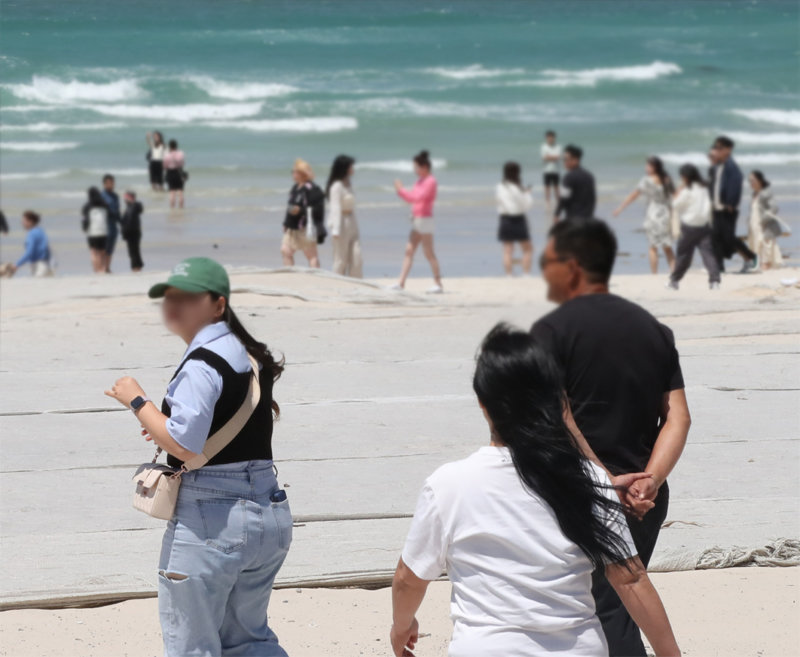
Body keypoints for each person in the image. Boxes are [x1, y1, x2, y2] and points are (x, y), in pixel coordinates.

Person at [391, 324, 681, 657]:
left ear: (483, 402)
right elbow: (631, 580)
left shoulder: (447, 485)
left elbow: (408, 579)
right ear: (555, 404)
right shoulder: (590, 481)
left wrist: (402, 626)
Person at [104, 257, 292, 656]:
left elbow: (185, 446)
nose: (174, 305)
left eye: (188, 298)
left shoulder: (203, 363)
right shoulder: (250, 356)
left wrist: (137, 400)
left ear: (218, 305)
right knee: (250, 640)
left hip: (212, 517)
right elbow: (220, 424)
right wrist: (162, 421)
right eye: (170, 297)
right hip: (269, 509)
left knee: (192, 646)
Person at [531, 219, 690, 656]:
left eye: (549, 262)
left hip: (577, 492)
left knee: (598, 610)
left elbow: (555, 414)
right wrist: (649, 480)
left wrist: (603, 481)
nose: (544, 271)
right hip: (645, 499)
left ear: (573, 266)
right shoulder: (654, 331)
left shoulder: (550, 332)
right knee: (616, 605)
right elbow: (678, 418)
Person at [613, 156, 676, 274]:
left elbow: (634, 195)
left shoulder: (646, 180)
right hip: (666, 214)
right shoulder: (667, 179)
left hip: (653, 214)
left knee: (653, 247)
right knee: (667, 246)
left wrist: (620, 208)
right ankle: (674, 272)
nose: (646, 168)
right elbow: (674, 196)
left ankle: (654, 274)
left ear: (654, 167)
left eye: (648, 165)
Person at [392, 150, 443, 293]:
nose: (415, 170)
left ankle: (438, 283)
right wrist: (401, 191)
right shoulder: (420, 181)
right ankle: (401, 282)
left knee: (428, 252)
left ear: (424, 167)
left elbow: (416, 198)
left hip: (425, 220)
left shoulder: (431, 181)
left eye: (416, 167)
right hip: (417, 220)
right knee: (409, 250)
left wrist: (400, 190)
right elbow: (412, 197)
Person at [708, 136, 757, 273]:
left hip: (727, 209)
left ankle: (751, 257)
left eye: (720, 148)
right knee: (715, 238)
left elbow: (737, 181)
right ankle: (719, 267)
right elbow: (714, 185)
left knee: (728, 238)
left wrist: (731, 202)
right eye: (716, 147)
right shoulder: (718, 166)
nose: (716, 150)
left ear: (728, 149)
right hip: (717, 208)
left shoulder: (731, 166)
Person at [668, 164, 720, 290]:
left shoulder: (687, 191)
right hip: (704, 225)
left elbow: (675, 204)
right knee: (708, 254)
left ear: (685, 177)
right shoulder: (704, 188)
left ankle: (674, 281)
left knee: (683, 255)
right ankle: (715, 281)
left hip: (689, 226)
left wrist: (679, 191)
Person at [282, 158, 325, 268]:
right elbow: (290, 206)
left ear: (302, 174)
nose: (293, 174)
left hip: (305, 228)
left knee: (311, 256)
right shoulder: (295, 187)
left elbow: (318, 210)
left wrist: (300, 210)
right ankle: (290, 276)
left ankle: (316, 278)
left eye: (295, 172)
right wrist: (286, 223)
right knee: (285, 251)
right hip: (292, 228)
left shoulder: (312, 189)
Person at [326, 154, 363, 278]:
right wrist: (335, 230)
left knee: (356, 256)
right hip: (340, 223)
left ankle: (356, 284)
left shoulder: (348, 183)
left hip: (351, 222)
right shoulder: (336, 186)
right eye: (351, 166)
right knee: (340, 259)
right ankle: (337, 285)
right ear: (345, 168)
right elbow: (335, 207)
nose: (353, 169)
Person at [496, 161, 534, 276]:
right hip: (518, 218)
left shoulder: (500, 186)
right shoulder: (518, 188)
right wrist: (527, 193)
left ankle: (509, 274)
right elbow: (527, 204)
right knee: (527, 249)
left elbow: (501, 202)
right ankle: (526, 273)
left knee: (507, 250)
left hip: (505, 218)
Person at [747, 170, 785, 270]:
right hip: (754, 225)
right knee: (755, 243)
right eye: (750, 181)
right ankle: (758, 264)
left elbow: (774, 208)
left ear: (760, 181)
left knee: (765, 243)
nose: (751, 183)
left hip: (765, 224)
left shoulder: (766, 193)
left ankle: (765, 264)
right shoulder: (754, 194)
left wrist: (763, 219)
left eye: (753, 180)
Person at [554, 145, 596, 223]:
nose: (564, 162)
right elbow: (593, 199)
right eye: (564, 160)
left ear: (575, 160)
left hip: (573, 219)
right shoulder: (589, 176)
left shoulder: (569, 177)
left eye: (566, 159)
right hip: (588, 219)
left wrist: (557, 214)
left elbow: (564, 198)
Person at [7, 211, 53, 277]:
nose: (22, 223)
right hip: (45, 263)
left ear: (30, 221)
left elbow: (29, 253)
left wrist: (17, 265)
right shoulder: (40, 231)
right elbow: (45, 249)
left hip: (38, 265)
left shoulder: (32, 234)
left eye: (24, 221)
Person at [82, 187, 109, 273]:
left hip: (93, 232)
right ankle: (103, 268)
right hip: (103, 231)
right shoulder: (104, 204)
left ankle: (97, 270)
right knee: (102, 251)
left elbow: (85, 219)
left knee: (94, 252)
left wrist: (84, 228)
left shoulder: (87, 206)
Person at [101, 174, 120, 273]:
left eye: (112, 183)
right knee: (103, 248)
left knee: (110, 249)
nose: (110, 185)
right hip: (104, 226)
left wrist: (122, 223)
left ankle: (107, 267)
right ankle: (102, 267)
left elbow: (117, 211)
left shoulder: (115, 196)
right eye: (108, 183)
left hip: (113, 226)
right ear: (104, 184)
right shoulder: (101, 196)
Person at [121, 190, 144, 272]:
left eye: (126, 197)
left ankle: (136, 267)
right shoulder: (129, 207)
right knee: (133, 250)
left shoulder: (134, 206)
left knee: (133, 250)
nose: (125, 200)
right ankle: (137, 266)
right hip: (131, 232)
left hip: (133, 232)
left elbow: (139, 209)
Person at [541, 130, 562, 209]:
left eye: (552, 137)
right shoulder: (543, 146)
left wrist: (550, 157)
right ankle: (547, 202)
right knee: (547, 187)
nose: (550, 139)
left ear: (554, 138)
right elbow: (544, 158)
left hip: (556, 170)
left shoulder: (558, 146)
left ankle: (559, 202)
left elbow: (558, 157)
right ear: (546, 138)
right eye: (549, 137)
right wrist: (553, 157)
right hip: (546, 170)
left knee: (556, 187)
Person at [164, 139, 186, 209]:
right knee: (180, 191)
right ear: (176, 146)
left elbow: (165, 166)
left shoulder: (167, 155)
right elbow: (182, 163)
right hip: (179, 172)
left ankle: (172, 209)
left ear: (169, 146)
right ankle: (181, 208)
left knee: (172, 192)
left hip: (170, 173)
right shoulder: (181, 153)